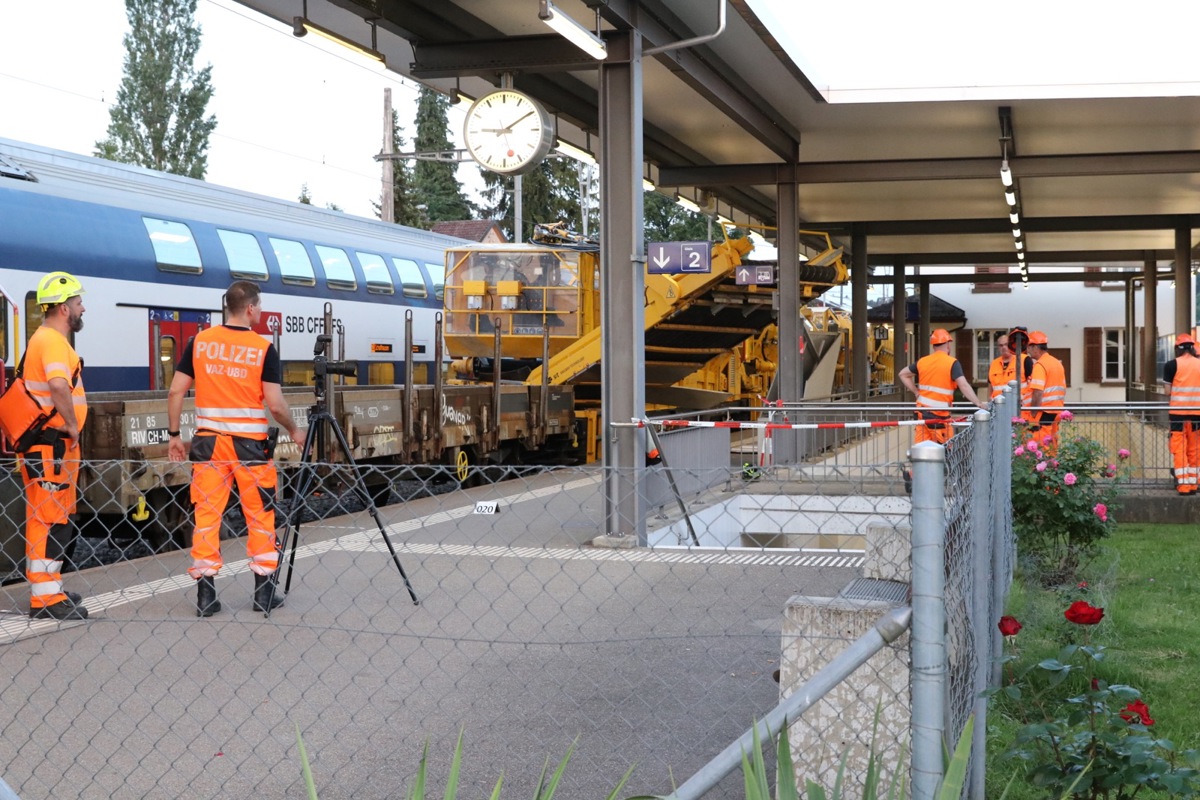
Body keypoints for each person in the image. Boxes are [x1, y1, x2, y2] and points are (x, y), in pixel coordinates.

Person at [167, 281, 308, 616]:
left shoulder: (199, 342)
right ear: (249, 309)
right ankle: (263, 594)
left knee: (206, 517)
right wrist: (294, 430)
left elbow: (175, 392)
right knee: (260, 516)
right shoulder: (262, 348)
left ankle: (206, 597)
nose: (260, 311)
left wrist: (175, 434)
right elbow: (275, 405)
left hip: (208, 445)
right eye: (259, 306)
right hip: (249, 448)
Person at [20, 272, 90, 620]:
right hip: (53, 447)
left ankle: (49, 588)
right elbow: (59, 385)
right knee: (49, 518)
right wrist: (74, 425)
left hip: (49, 448)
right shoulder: (52, 342)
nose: (83, 308)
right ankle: (45, 598)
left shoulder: (44, 338)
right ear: (64, 308)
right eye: (78, 303)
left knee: (49, 516)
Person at [898, 328, 986, 444]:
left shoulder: (923, 361)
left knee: (922, 450)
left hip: (921, 414)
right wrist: (979, 403)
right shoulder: (952, 363)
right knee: (945, 451)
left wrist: (915, 392)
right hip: (939, 417)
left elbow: (902, 374)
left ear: (933, 346)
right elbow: (964, 386)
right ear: (948, 344)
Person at [1164, 333, 1200, 495]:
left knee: (1179, 448)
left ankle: (1184, 485)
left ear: (1177, 349)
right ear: (1192, 348)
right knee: (1195, 448)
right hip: (1197, 414)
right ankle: (1194, 484)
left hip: (1177, 414)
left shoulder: (1171, 365)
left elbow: (1167, 391)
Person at [1025, 331, 1067, 452]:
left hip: (1042, 412)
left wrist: (1033, 412)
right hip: (1056, 411)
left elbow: (1038, 392)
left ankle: (1042, 469)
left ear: (1036, 347)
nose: (1028, 350)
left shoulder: (1040, 365)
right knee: (1051, 442)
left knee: (1039, 445)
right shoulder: (1056, 363)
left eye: (1029, 346)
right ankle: (1052, 467)